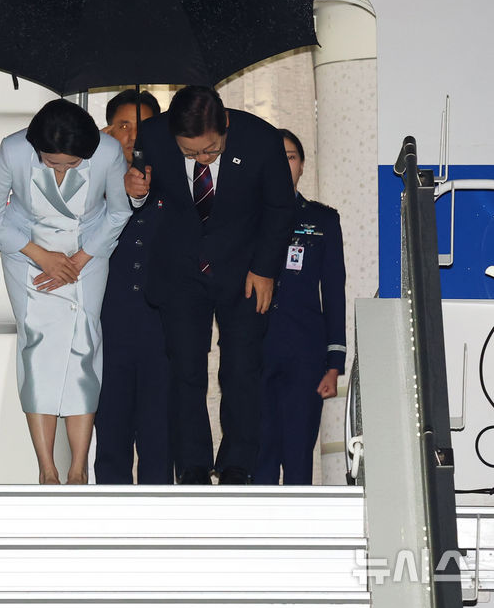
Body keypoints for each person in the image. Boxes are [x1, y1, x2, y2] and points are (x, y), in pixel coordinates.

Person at [125, 85, 295, 485]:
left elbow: (280, 208)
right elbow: (146, 200)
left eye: (211, 150)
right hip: (181, 270)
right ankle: (192, 466)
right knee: (185, 368)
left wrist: (265, 269)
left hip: (245, 269)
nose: (202, 159)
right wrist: (136, 192)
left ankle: (237, 464)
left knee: (241, 368)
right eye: (190, 154)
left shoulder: (262, 139)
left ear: (226, 124)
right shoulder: (153, 136)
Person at [0, 99, 132, 485]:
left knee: (84, 347)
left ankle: (78, 469)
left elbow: (118, 212)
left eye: (72, 164)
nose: (61, 171)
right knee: (36, 346)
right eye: (51, 163)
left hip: (87, 253)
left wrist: (78, 261)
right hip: (28, 252)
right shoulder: (13, 150)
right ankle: (46, 469)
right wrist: (41, 256)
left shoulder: (108, 151)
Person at [254, 129, 347, 485]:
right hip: (255, 350)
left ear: (303, 165)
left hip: (304, 354)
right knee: (259, 454)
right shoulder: (245, 217)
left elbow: (333, 292)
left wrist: (334, 363)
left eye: (290, 157)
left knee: (297, 456)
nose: (283, 165)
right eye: (276, 158)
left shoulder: (322, 220)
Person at [94, 89, 173, 484]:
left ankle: (162, 519)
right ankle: (110, 517)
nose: (132, 135)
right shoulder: (90, 184)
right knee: (111, 432)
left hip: (163, 327)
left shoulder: (175, 183)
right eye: (122, 125)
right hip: (108, 324)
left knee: (160, 435)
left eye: (141, 126)